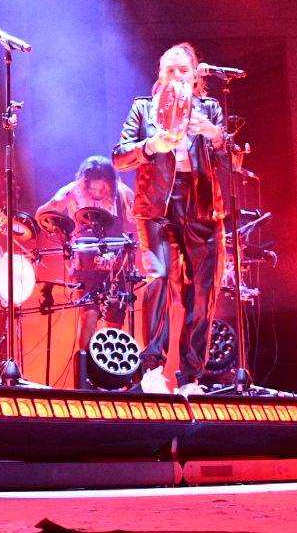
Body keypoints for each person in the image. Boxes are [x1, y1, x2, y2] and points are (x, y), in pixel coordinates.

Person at [113, 42, 233, 395]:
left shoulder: (209, 109)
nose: (177, 76)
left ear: (196, 76)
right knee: (160, 278)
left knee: (203, 291)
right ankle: (152, 368)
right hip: (156, 205)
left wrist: (214, 135)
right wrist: (151, 146)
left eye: (183, 70)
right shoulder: (144, 108)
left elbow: (231, 162)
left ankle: (191, 377)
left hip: (202, 206)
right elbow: (119, 157)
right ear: (161, 76)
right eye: (170, 70)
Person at [37, 155, 139, 378]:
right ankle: (84, 376)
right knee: (89, 315)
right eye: (92, 188)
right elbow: (43, 213)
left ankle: (110, 376)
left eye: (102, 188)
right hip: (86, 266)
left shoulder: (122, 193)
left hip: (116, 265)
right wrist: (59, 232)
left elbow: (139, 217)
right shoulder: (72, 192)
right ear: (85, 183)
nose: (97, 193)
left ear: (110, 183)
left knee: (114, 321)